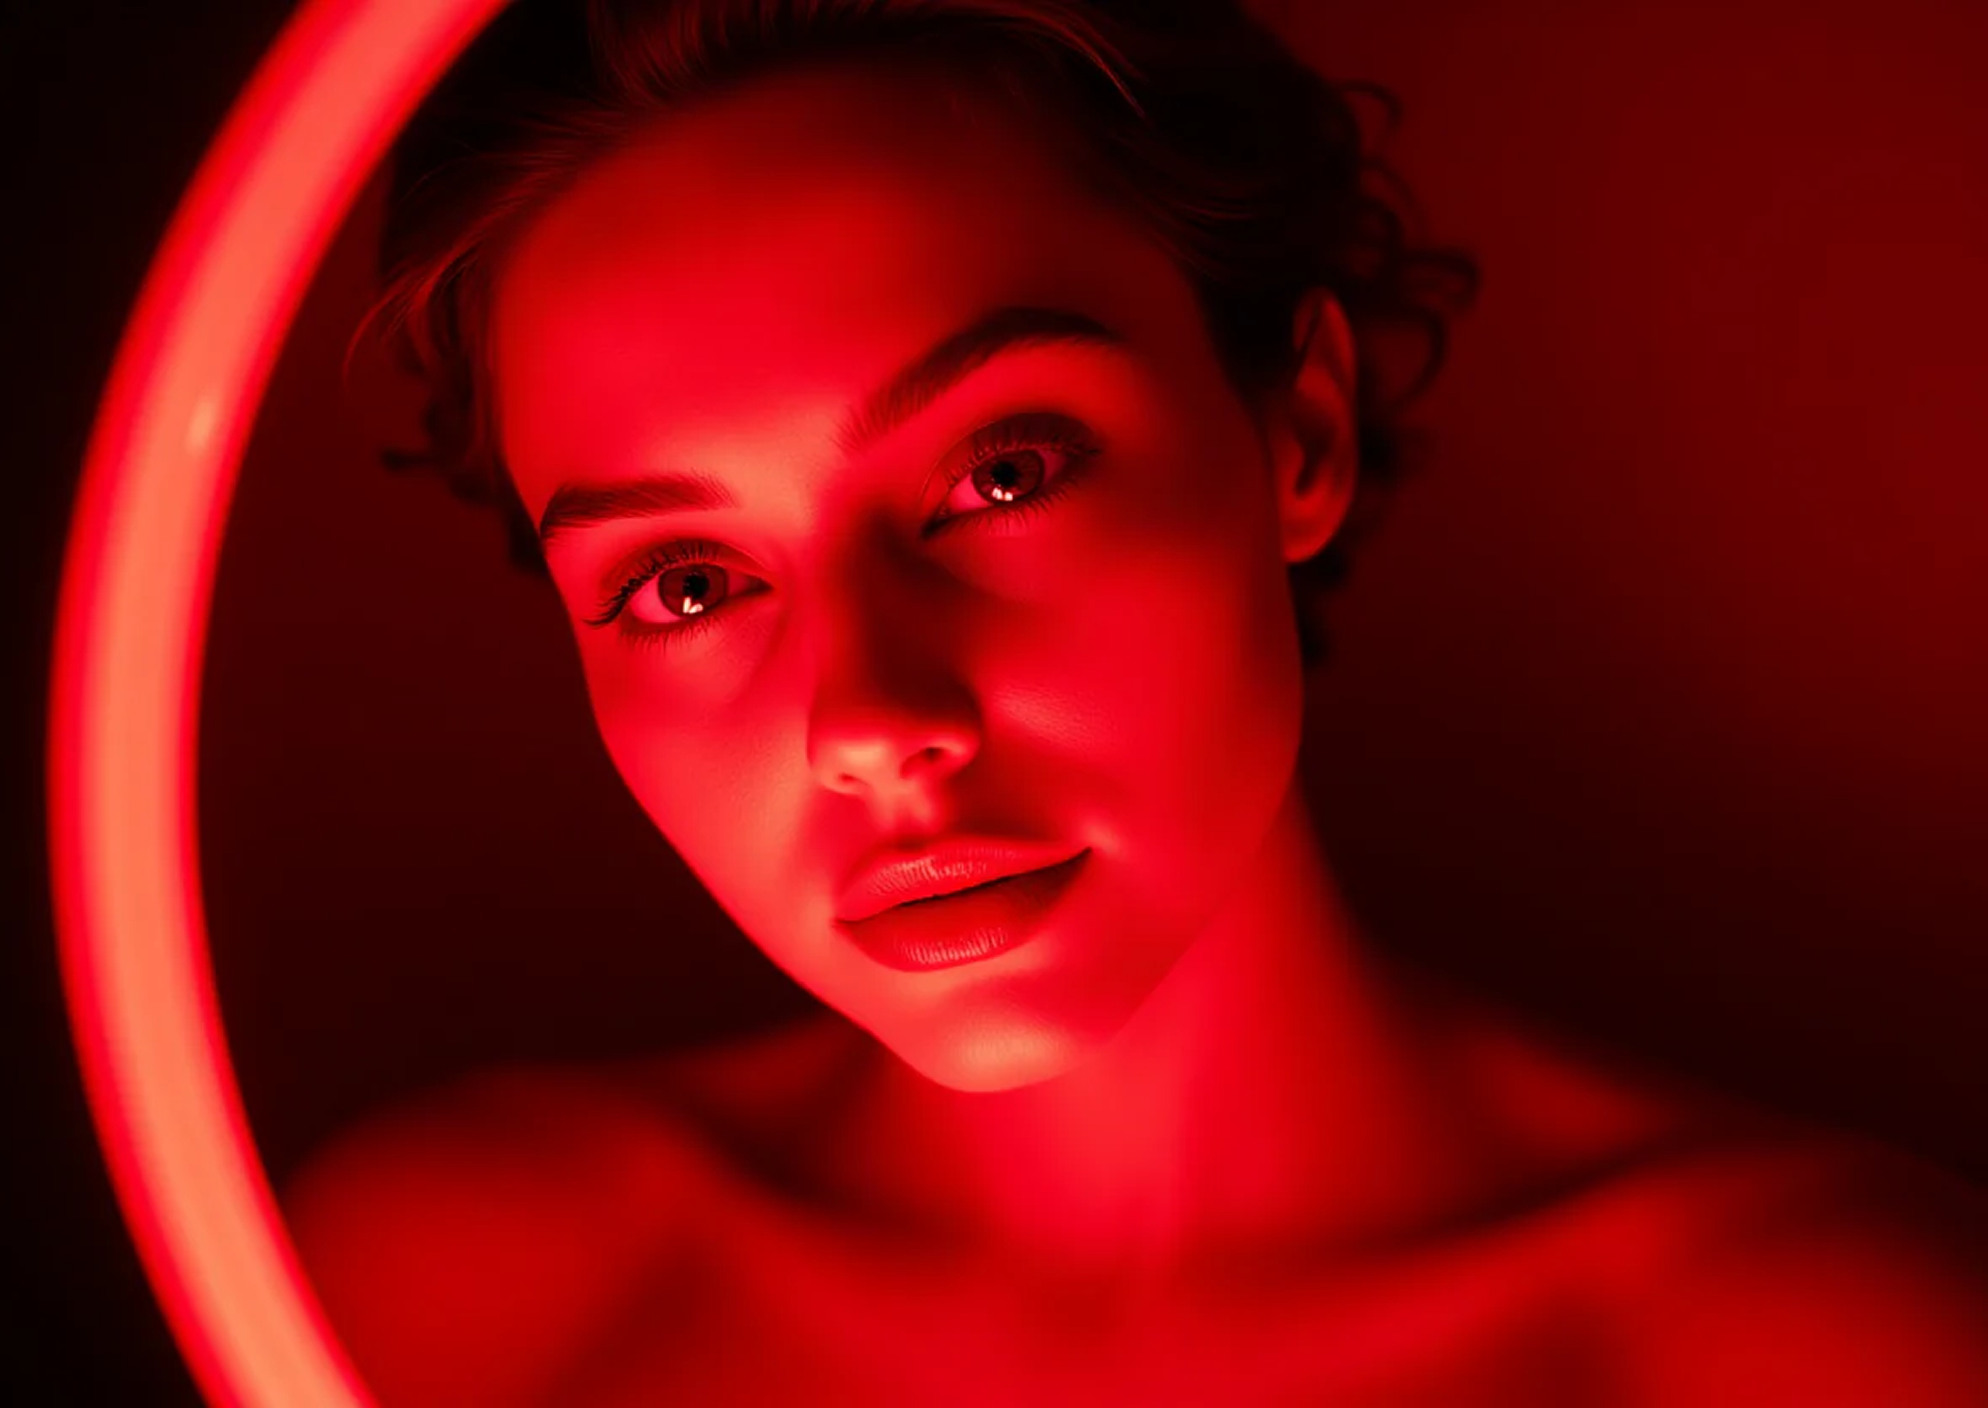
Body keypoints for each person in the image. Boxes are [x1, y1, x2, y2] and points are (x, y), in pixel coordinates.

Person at [280, 1, 1988, 1403]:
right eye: (687, 584)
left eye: (1004, 472)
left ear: (1296, 428)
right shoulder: (438, 1308)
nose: (871, 718)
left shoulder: (1820, 1355)